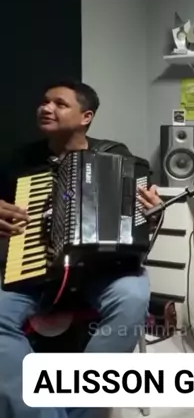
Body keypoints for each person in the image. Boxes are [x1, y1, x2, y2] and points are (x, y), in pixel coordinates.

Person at [0, 79, 162, 418]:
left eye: (60, 104)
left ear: (86, 117)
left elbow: (139, 218)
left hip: (101, 271)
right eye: (44, 102)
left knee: (132, 298)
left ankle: (76, 406)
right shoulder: (21, 160)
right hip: (34, 270)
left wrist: (152, 211)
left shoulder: (116, 156)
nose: (46, 108)